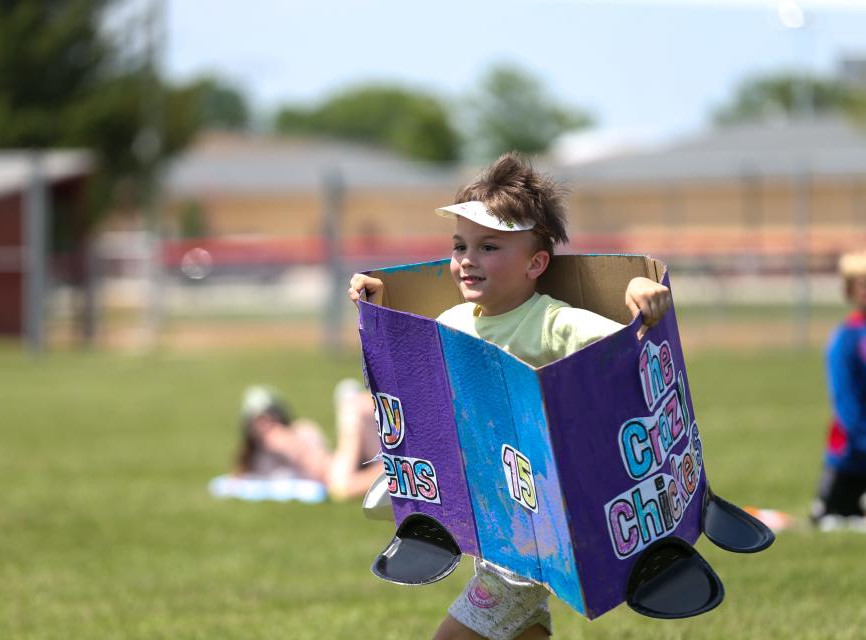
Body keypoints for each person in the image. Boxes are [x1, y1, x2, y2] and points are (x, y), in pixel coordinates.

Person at [347, 152, 672, 640]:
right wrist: (380, 308)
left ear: (536, 263)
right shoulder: (452, 323)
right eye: (460, 246)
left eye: (489, 247)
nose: (467, 260)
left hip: (534, 536)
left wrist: (644, 292)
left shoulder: (554, 323)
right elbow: (412, 381)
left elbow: (632, 346)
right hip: (491, 530)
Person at [234, 381, 382, 500]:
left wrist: (287, 446)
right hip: (342, 470)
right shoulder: (261, 458)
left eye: (269, 417)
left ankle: (393, 471)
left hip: (338, 468)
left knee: (342, 486)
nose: (265, 426)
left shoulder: (301, 430)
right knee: (341, 486)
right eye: (258, 421)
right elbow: (241, 476)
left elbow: (319, 467)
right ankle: (393, 471)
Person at [810, 250, 866, 531]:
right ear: (850, 291)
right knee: (831, 517)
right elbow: (846, 403)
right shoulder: (846, 339)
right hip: (851, 454)